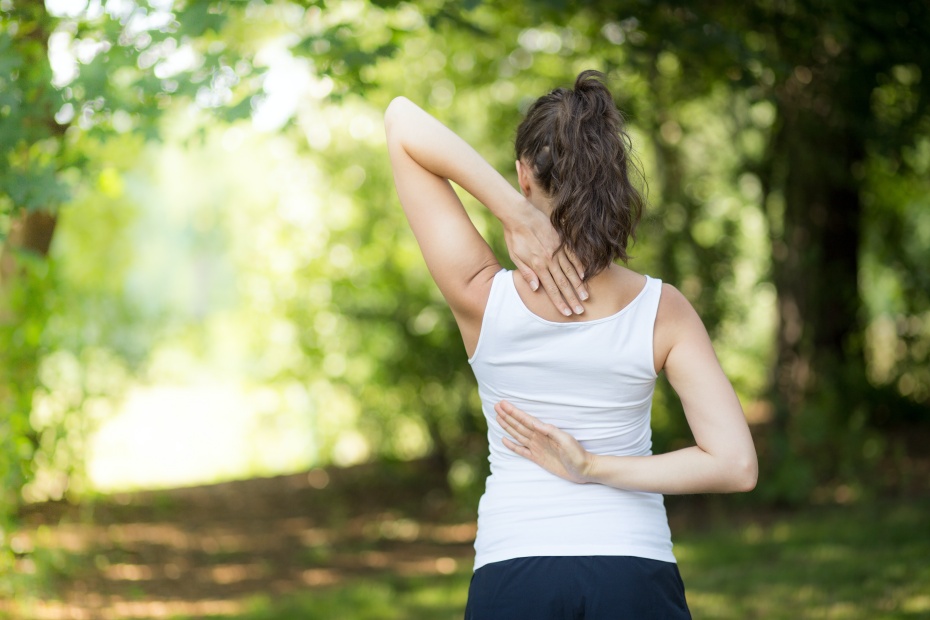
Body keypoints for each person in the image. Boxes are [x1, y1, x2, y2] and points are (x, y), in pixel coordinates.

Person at [384, 70, 757, 619]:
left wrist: (508, 209)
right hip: (633, 572)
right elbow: (735, 465)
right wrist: (595, 468)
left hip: (514, 572)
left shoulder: (482, 297)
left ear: (523, 175)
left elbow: (400, 119)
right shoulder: (662, 310)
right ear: (613, 180)